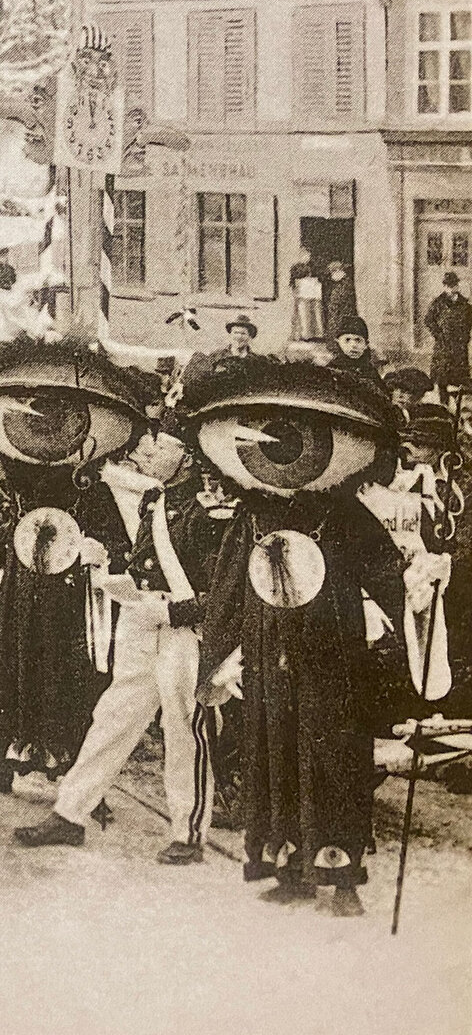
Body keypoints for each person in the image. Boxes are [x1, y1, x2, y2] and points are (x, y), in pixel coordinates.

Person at [184, 362, 433, 917]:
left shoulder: (343, 514)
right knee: (275, 754)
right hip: (268, 657)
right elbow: (227, 589)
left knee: (336, 754)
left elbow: (385, 572)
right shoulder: (251, 516)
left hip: (334, 655)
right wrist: (219, 658)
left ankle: (342, 879)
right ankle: (291, 869)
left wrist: (416, 586)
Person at [14, 427, 226, 864]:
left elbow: (224, 587)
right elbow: (146, 560)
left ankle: (189, 834)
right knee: (113, 715)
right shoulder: (156, 498)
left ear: (187, 457)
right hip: (143, 616)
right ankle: (70, 813)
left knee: (185, 728)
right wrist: (118, 572)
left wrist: (175, 614)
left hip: (182, 627)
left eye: (161, 444)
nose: (146, 450)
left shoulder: (213, 509)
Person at [0, 344, 150, 796]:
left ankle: (69, 767)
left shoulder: (92, 478)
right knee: (8, 664)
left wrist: (97, 549)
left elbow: (113, 534)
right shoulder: (12, 464)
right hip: (23, 577)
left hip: (71, 588)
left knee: (69, 670)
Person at [424, 272, 471, 398]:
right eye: (448, 285)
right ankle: (444, 404)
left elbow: (469, 322)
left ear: (457, 286)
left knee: (460, 380)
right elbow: (428, 320)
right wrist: (438, 335)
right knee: (442, 379)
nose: (451, 288)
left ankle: (458, 405)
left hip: (459, 347)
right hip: (443, 347)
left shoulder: (465, 305)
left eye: (453, 285)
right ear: (444, 286)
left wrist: (465, 336)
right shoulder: (438, 303)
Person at [185, 314, 260, 384]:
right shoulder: (216, 357)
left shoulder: (256, 361)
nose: (239, 337)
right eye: (236, 333)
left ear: (250, 337)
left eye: (243, 334)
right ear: (230, 334)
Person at [329, 314, 381, 381]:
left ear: (366, 344)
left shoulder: (371, 372)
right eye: (347, 340)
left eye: (358, 340)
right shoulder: (332, 370)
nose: (353, 345)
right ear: (338, 343)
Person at [290, 252, 324, 342]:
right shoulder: (296, 267)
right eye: (304, 255)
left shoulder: (313, 266)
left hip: (313, 292)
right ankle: (304, 335)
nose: (306, 257)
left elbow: (319, 277)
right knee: (302, 314)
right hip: (302, 293)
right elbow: (293, 280)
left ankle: (317, 334)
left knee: (315, 313)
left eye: (308, 255)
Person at [322, 261, 358, 339]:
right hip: (336, 313)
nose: (332, 276)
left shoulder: (346, 283)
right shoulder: (339, 283)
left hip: (342, 313)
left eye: (332, 273)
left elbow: (343, 298)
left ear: (338, 271)